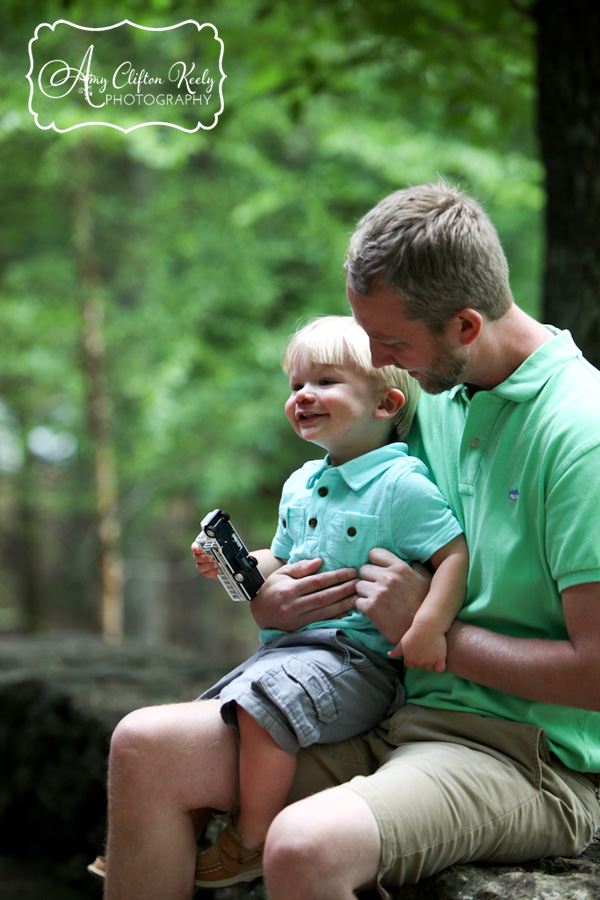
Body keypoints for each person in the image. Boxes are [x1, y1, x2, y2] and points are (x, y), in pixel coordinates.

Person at [100, 182, 600, 900]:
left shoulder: (581, 433)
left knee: (303, 845)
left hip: (522, 756)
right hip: (391, 711)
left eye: (391, 344)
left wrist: (436, 636)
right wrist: (274, 595)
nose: (377, 358)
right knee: (143, 748)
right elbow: (344, 519)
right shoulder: (436, 393)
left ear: (465, 325)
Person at [190, 315, 467, 888]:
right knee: (210, 711)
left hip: (356, 662)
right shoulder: (301, 484)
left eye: (325, 382)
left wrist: (430, 627)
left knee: (260, 706)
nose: (303, 396)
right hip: (295, 651)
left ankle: (251, 839)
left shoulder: (401, 485)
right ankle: (194, 832)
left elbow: (454, 556)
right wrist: (235, 563)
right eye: (295, 386)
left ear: (386, 403)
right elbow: (282, 560)